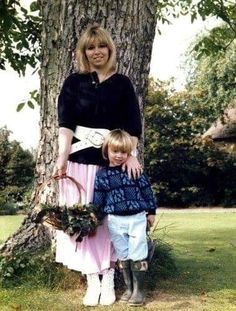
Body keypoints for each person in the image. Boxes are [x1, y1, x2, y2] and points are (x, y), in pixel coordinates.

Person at [53, 24, 143, 306]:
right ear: (83, 52)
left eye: (100, 46)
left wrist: (131, 155)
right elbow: (65, 126)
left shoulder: (123, 84)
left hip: (111, 166)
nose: (96, 52)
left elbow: (133, 128)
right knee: (84, 222)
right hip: (79, 164)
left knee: (110, 223)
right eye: (90, 48)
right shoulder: (73, 83)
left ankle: (108, 278)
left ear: (109, 49)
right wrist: (61, 157)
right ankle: (92, 279)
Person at [93, 129, 157, 306]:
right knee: (123, 254)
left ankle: (139, 291)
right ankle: (129, 289)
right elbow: (98, 199)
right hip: (115, 221)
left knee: (138, 253)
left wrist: (151, 212)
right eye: (115, 151)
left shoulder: (133, 170)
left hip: (136, 218)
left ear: (129, 153)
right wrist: (93, 217)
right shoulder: (102, 175)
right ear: (107, 150)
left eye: (124, 152)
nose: (119, 156)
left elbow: (147, 191)